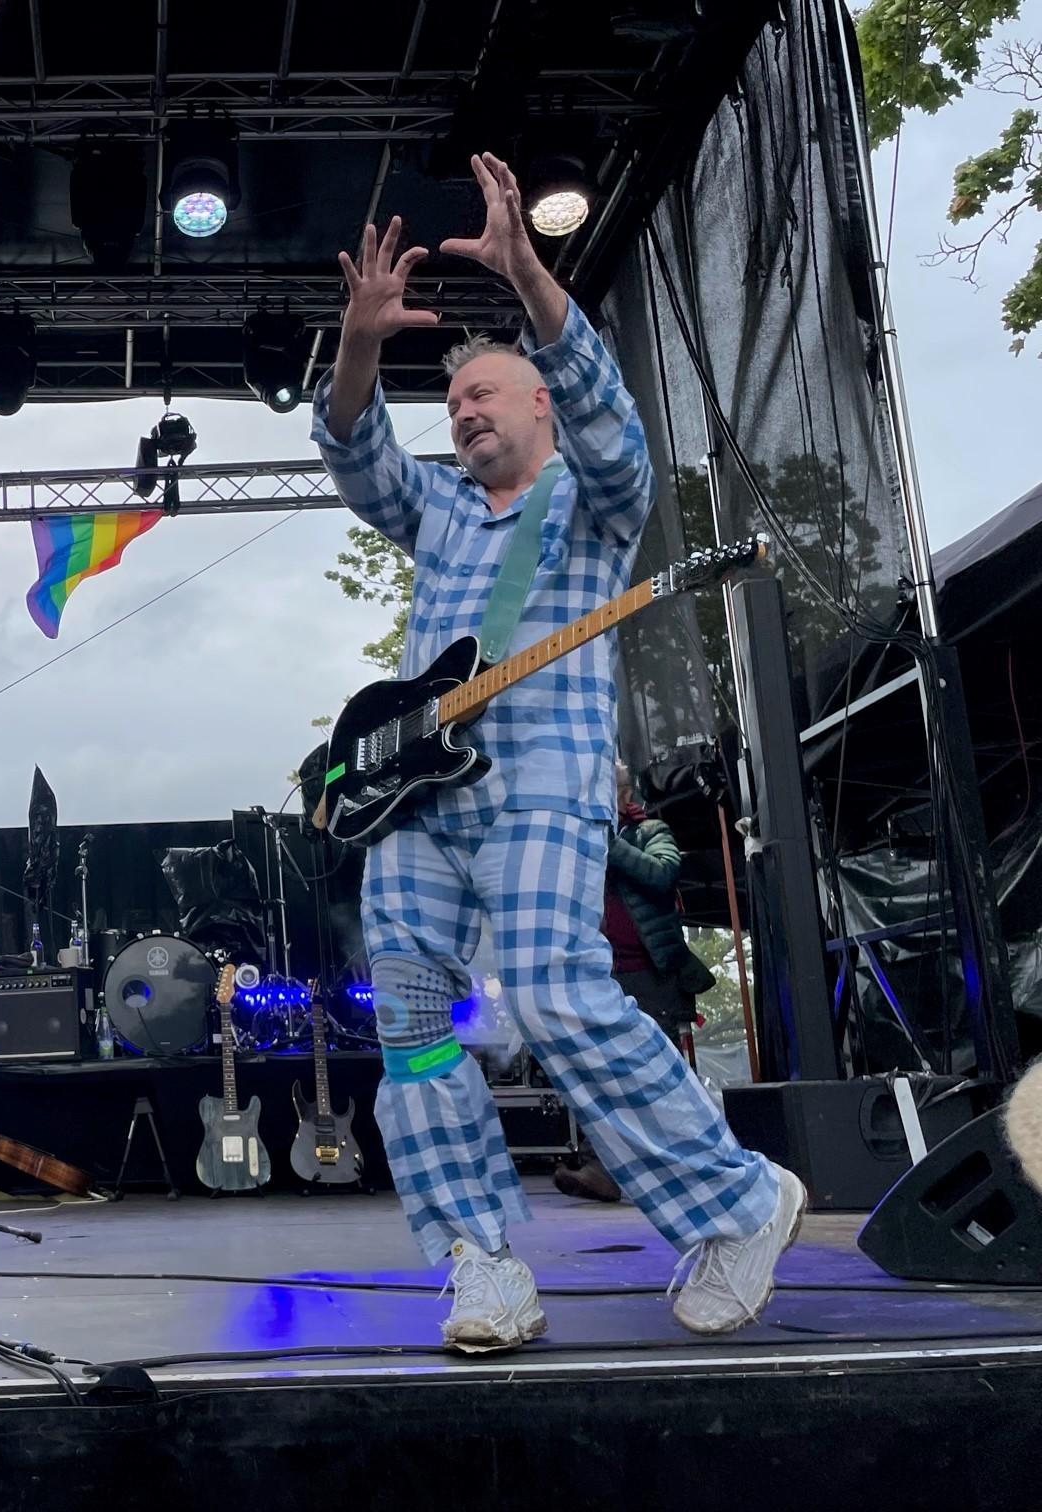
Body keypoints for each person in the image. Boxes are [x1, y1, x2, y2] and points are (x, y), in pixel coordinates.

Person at [312, 152, 803, 1352]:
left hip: (541, 783)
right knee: (413, 1029)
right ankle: (481, 1262)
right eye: (453, 404)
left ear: (540, 405)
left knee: (551, 992)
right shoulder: (439, 511)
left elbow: (611, 424)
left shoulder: (593, 499)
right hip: (414, 804)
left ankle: (740, 1205)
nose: (465, 410)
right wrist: (358, 344)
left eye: (485, 392)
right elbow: (357, 452)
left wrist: (531, 280)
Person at [554, 761, 721, 1204]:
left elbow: (663, 874)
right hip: (601, 976)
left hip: (649, 976)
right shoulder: (581, 841)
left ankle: (699, 1168)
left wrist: (608, 843)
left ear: (624, 794)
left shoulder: (650, 832)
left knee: (660, 1076)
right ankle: (602, 1169)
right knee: (601, 1073)